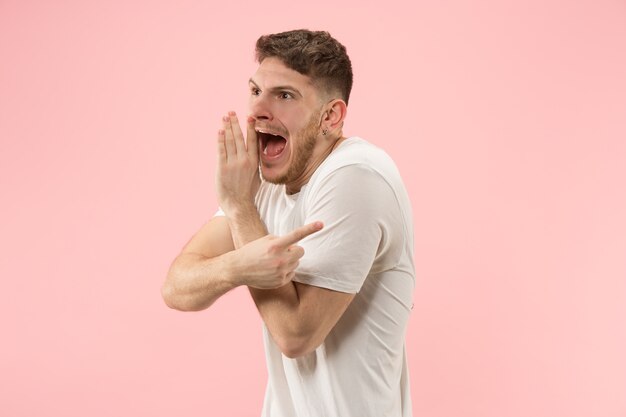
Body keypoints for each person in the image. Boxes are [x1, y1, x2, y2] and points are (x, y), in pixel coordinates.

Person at [161, 29, 415, 417]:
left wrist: (241, 212)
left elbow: (297, 335)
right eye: (255, 90)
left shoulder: (357, 175)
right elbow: (176, 288)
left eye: (284, 95)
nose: (258, 110)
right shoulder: (262, 183)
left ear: (331, 116)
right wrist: (239, 261)